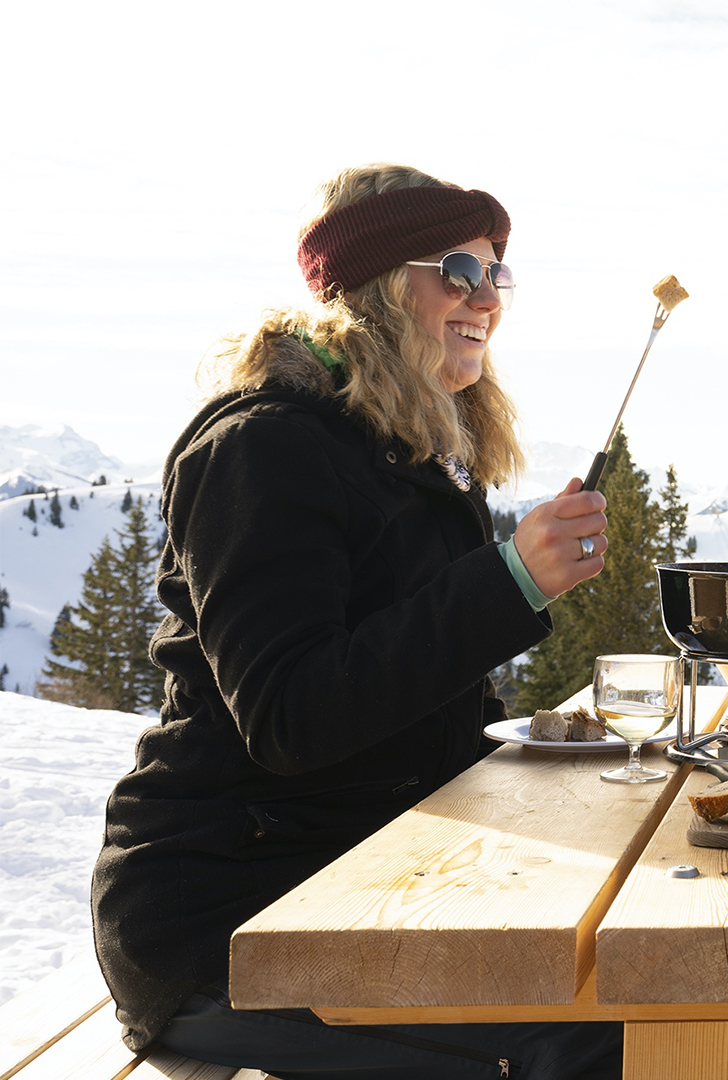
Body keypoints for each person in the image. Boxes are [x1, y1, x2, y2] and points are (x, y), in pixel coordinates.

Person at [91, 164, 624, 1079]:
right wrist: (508, 582)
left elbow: (425, 700)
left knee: (630, 983)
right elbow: (290, 716)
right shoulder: (262, 447)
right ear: (377, 285)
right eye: (461, 269)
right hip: (230, 918)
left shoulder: (418, 457)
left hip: (371, 879)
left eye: (497, 273)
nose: (487, 299)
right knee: (588, 1040)